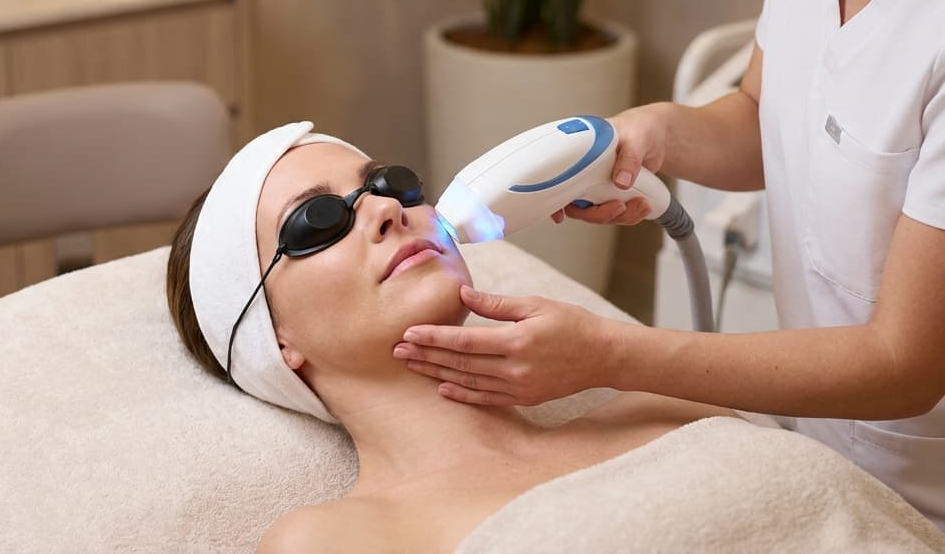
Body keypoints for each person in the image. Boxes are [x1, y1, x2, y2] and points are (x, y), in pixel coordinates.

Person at [389, 0, 945, 531]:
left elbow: (907, 362)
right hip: (817, 459)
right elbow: (766, 119)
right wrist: (649, 134)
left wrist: (616, 355)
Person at [165, 122, 942, 552]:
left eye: (388, 182)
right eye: (317, 222)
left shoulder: (661, 407)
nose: (383, 208)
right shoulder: (332, 540)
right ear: (276, 339)